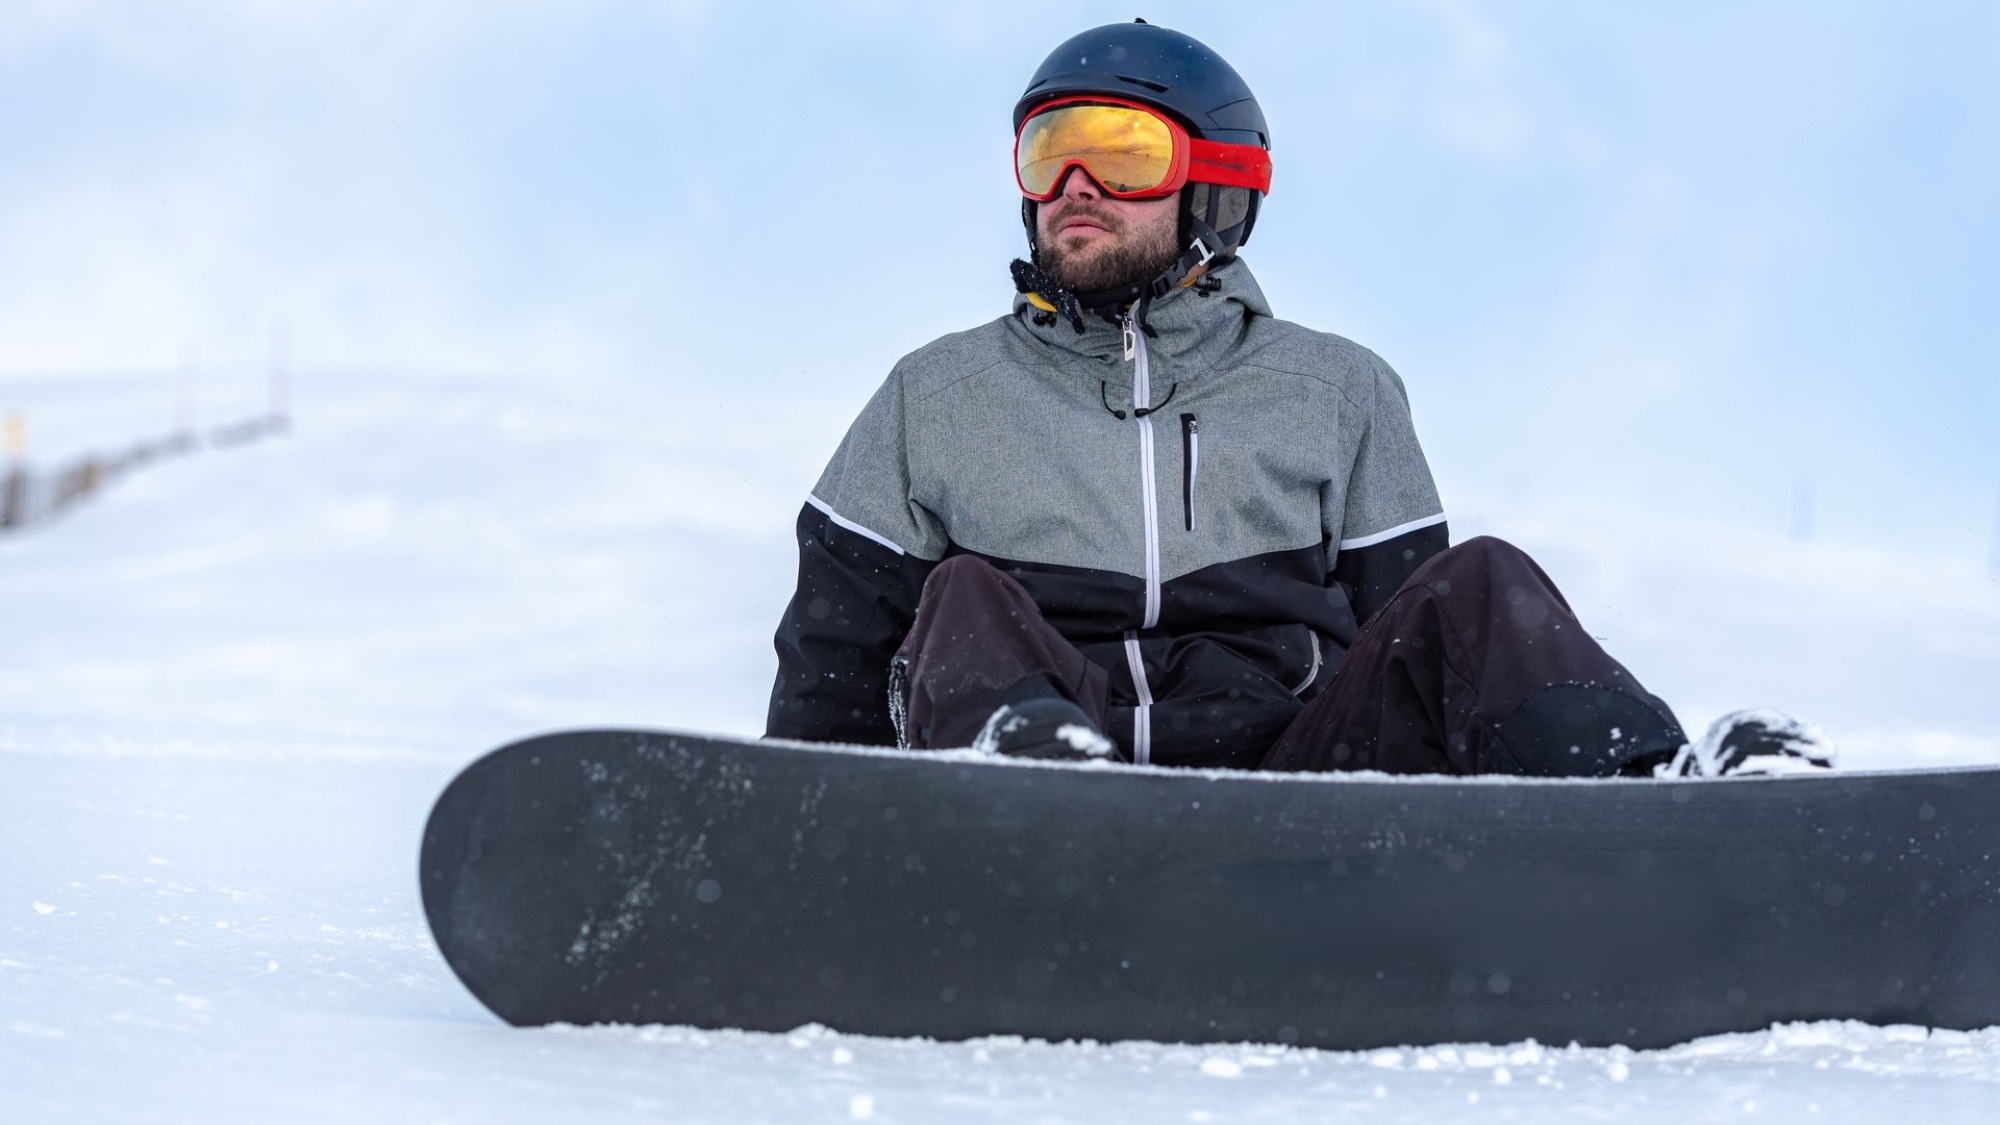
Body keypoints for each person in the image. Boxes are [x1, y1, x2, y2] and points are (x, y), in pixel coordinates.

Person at [765, 20, 1831, 779]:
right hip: (1026, 798)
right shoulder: (935, 396)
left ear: (1214, 188)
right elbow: (832, 657)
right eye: (1049, 153)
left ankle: (1643, 796)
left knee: (1479, 588)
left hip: (1290, 795)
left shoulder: (1333, 391)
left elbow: (1424, 650)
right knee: (962, 599)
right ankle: (1047, 782)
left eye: (1123, 153)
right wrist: (792, 839)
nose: (1074, 183)